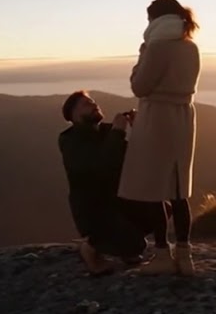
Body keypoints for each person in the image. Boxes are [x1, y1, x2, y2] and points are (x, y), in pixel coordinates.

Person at [117, 0, 202, 276]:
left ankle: (163, 254)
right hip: (183, 117)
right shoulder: (191, 47)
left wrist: (141, 56)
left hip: (157, 117)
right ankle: (186, 255)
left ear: (155, 19)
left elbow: (139, 86)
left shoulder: (155, 46)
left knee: (154, 188)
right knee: (178, 188)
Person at [58, 91, 153, 275]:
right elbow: (102, 168)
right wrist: (118, 132)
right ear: (73, 116)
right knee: (137, 244)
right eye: (86, 104)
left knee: (161, 207)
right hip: (95, 211)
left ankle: (126, 246)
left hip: (118, 201)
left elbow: (136, 160)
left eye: (93, 101)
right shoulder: (70, 142)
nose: (94, 105)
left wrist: (137, 130)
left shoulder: (106, 133)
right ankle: (91, 246)